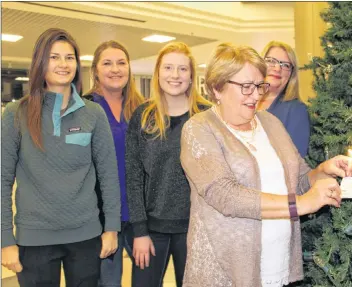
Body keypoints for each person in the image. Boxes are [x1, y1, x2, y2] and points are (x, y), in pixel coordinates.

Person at [180, 43, 352, 287]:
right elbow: (226, 195)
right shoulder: (199, 129)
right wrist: (301, 204)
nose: (256, 95)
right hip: (226, 271)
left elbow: (299, 178)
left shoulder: (269, 122)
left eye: (259, 86)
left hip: (276, 263)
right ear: (217, 88)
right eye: (246, 87)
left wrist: (322, 171)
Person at [1, 28, 120, 286]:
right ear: (40, 62)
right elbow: (2, 181)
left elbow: (109, 175)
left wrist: (111, 228)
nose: (63, 64)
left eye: (69, 57)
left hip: (86, 237)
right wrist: (5, 240)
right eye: (54, 57)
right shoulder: (15, 114)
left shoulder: (93, 113)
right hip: (34, 239)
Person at [125, 42, 211, 287]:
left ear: (192, 75)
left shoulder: (206, 116)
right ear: (158, 73)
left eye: (182, 69)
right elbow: (133, 176)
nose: (175, 75)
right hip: (151, 229)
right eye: (169, 68)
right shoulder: (143, 116)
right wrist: (139, 232)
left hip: (195, 228)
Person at [83, 40, 145, 287]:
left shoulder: (143, 108)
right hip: (100, 216)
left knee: (149, 279)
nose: (115, 69)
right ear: (95, 70)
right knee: (107, 283)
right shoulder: (84, 107)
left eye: (121, 63)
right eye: (107, 63)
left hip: (139, 213)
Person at [258, 41, 310, 158]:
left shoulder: (297, 110)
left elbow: (295, 161)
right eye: (271, 61)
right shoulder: (246, 101)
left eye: (285, 65)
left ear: (291, 75)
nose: (277, 68)